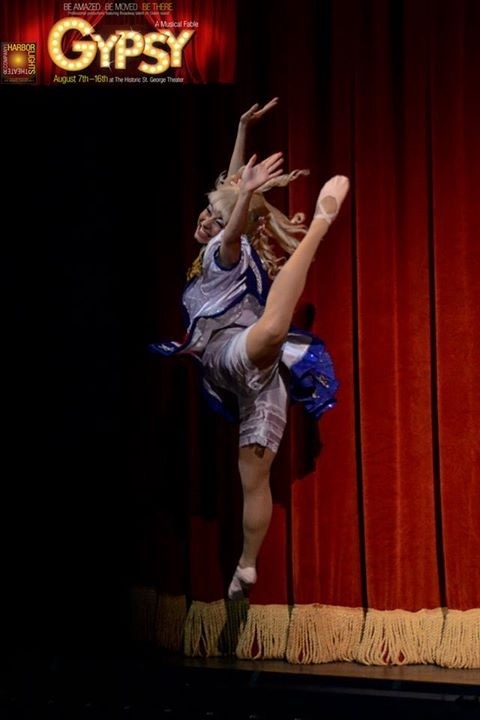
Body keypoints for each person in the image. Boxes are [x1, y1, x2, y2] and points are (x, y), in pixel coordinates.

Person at [149, 99, 349, 600]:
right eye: (206, 212)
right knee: (269, 334)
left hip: (255, 373)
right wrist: (240, 130)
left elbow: (234, 215)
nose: (205, 220)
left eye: (214, 219)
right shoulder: (217, 248)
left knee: (254, 477)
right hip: (226, 355)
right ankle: (321, 224)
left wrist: (242, 199)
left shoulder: (228, 249)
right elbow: (231, 194)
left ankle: (245, 564)